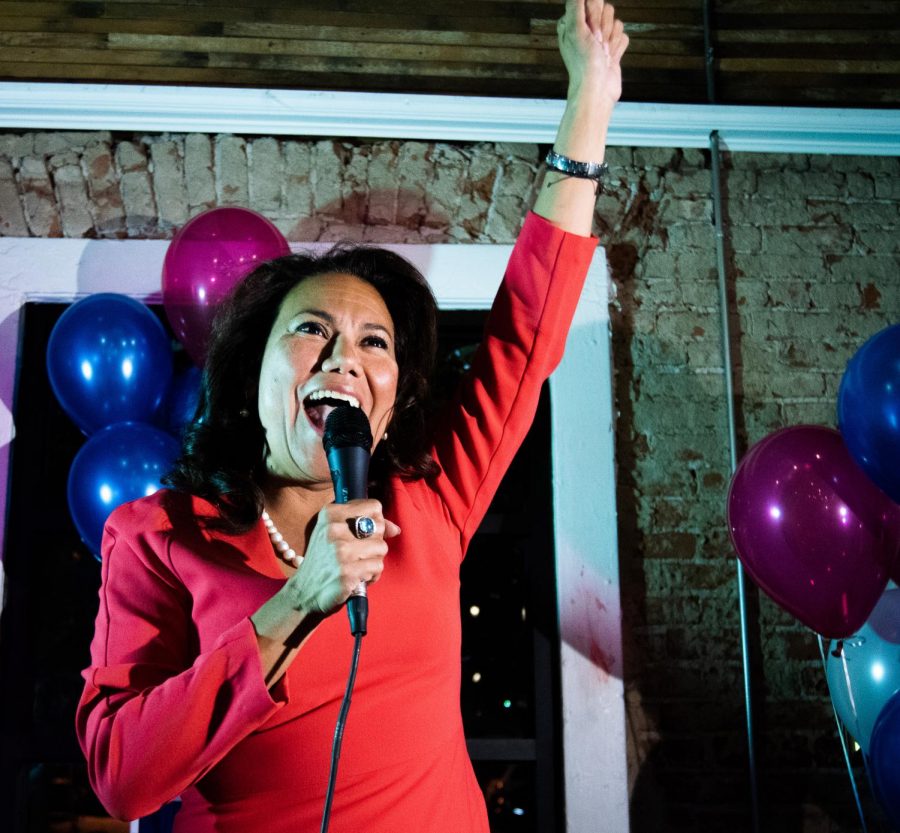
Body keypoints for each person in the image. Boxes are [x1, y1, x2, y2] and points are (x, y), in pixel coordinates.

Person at [75, 2, 629, 830]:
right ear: (251, 373)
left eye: (375, 343)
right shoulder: (158, 536)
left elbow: (526, 329)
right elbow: (122, 777)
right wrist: (295, 601)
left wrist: (591, 100)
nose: (346, 358)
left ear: (393, 392)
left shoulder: (431, 499)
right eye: (312, 330)